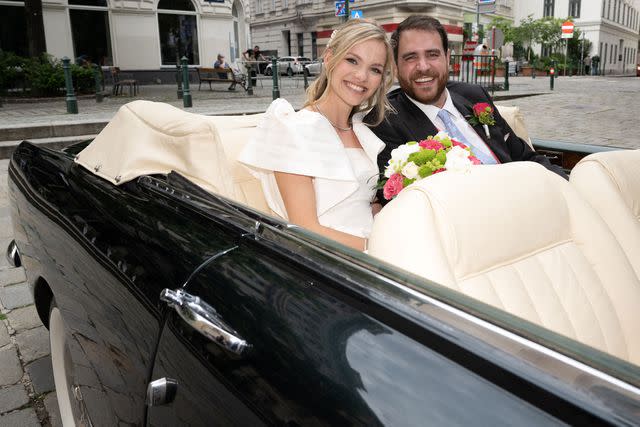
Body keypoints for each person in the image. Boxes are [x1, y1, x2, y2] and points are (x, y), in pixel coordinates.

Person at [239, 20, 395, 251]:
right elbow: (305, 229)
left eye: (375, 69)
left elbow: (361, 201)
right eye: (352, 60)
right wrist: (382, 247)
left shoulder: (363, 131)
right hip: (330, 257)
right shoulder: (293, 128)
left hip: (375, 244)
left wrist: (384, 218)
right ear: (329, 57)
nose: (362, 76)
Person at [366, 15, 567, 186]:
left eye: (432, 54)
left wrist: (564, 183)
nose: (423, 66)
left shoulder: (474, 95)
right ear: (395, 65)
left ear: (447, 57)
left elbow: (523, 155)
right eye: (410, 57)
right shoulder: (384, 121)